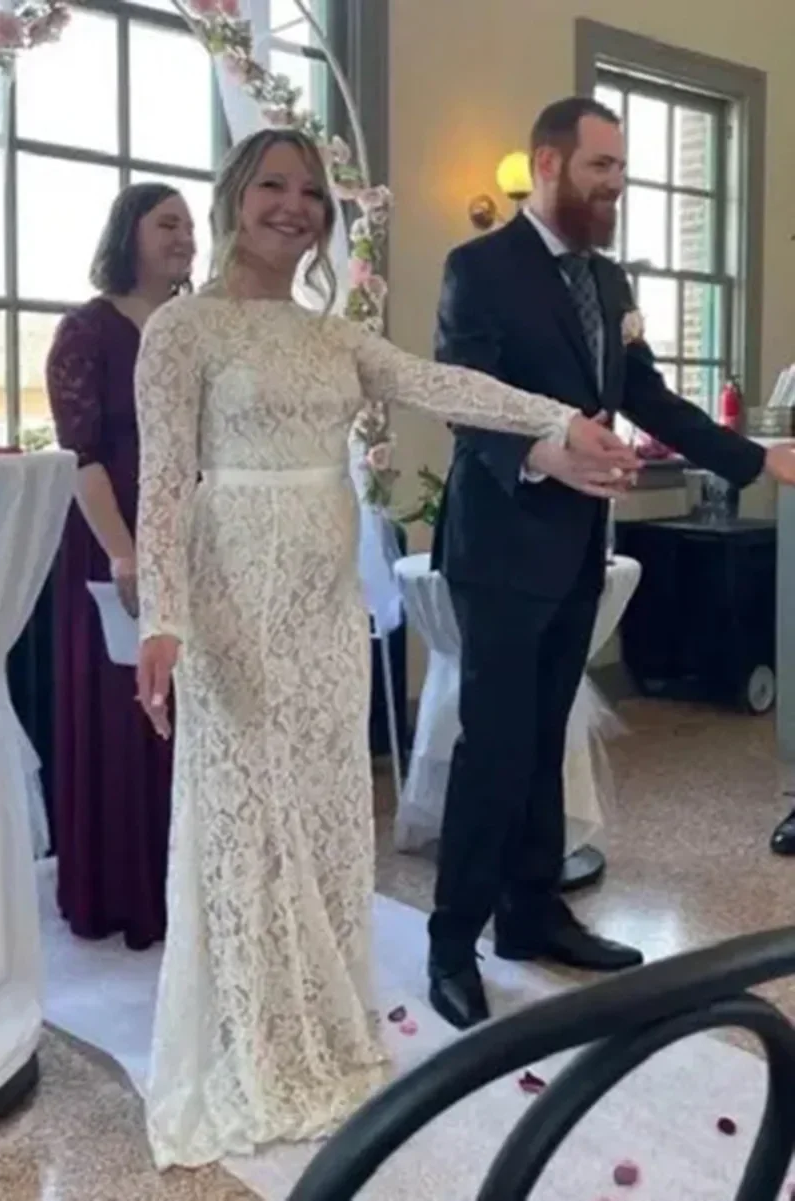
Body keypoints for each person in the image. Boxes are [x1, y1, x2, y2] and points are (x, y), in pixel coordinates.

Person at [132, 127, 639, 1170]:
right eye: (272, 185)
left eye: (310, 192)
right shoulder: (183, 330)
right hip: (233, 596)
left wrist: (561, 423)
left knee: (323, 808)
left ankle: (322, 1014)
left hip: (325, 602)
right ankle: (251, 1033)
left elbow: (444, 385)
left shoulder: (335, 336)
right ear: (234, 196)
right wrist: (162, 621)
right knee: (248, 812)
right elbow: (163, 482)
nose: (293, 205)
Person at [427, 95, 795, 1031]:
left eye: (622, 169)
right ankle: (451, 941)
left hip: (578, 546)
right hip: (500, 546)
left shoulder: (607, 278)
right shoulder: (478, 268)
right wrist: (544, 452)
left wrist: (757, 459)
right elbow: (464, 402)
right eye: (602, 167)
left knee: (545, 736)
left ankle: (531, 913)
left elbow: (649, 398)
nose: (616, 185)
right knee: (495, 746)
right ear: (548, 164)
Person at [46, 183, 195, 949]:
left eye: (190, 226)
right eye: (167, 223)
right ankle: (122, 891)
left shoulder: (194, 329)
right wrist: (124, 552)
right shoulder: (86, 330)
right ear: (127, 233)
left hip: (193, 536)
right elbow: (83, 455)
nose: (184, 237)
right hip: (115, 537)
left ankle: (190, 886)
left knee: (190, 715)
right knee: (124, 709)